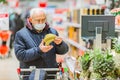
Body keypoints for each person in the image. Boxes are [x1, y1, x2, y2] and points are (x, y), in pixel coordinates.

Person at [14, 8, 69, 80]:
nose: (41, 22)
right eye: (38, 20)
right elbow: (20, 55)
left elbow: (64, 51)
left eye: (43, 19)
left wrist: (60, 44)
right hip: (30, 75)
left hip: (50, 74)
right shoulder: (21, 34)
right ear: (30, 20)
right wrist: (39, 50)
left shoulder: (52, 32)